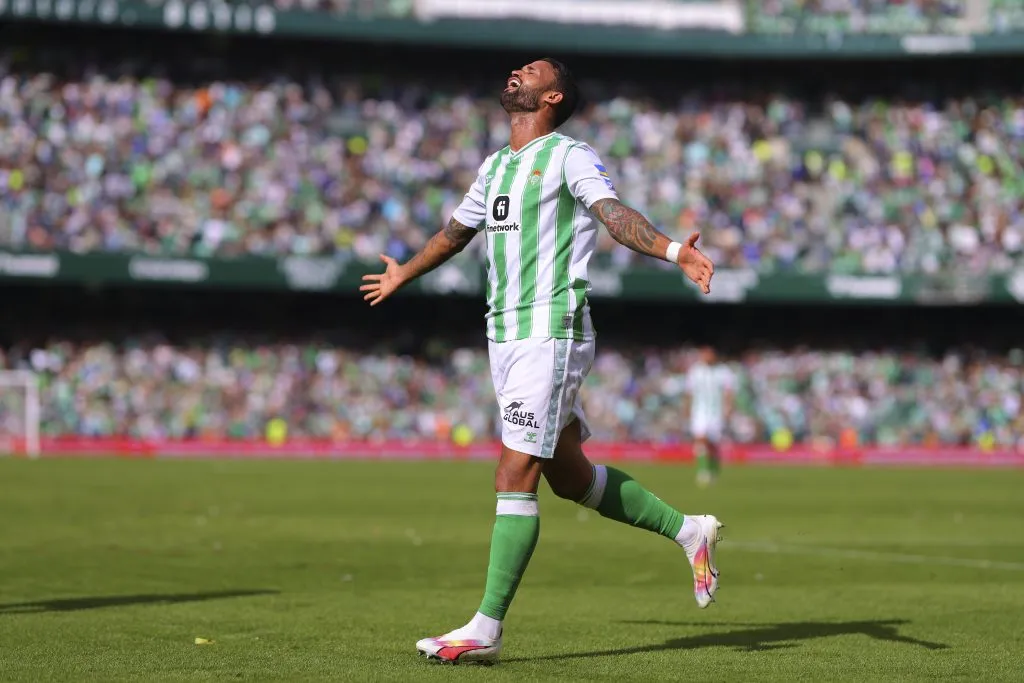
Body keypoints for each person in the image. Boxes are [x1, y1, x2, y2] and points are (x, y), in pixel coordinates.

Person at [361, 58, 723, 666]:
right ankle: (691, 530)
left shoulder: (568, 155)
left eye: (529, 71)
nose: (514, 72)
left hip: (549, 329)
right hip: (503, 335)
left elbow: (612, 214)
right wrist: (404, 271)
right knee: (569, 476)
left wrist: (669, 251)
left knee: (514, 470)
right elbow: (455, 233)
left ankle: (485, 628)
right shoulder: (496, 165)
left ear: (551, 95)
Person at [686, 346, 735, 487]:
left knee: (712, 444)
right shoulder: (695, 371)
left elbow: (728, 392)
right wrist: (687, 409)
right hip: (699, 411)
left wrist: (728, 408)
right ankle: (703, 471)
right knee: (700, 439)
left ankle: (713, 470)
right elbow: (689, 392)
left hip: (715, 413)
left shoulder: (723, 371)